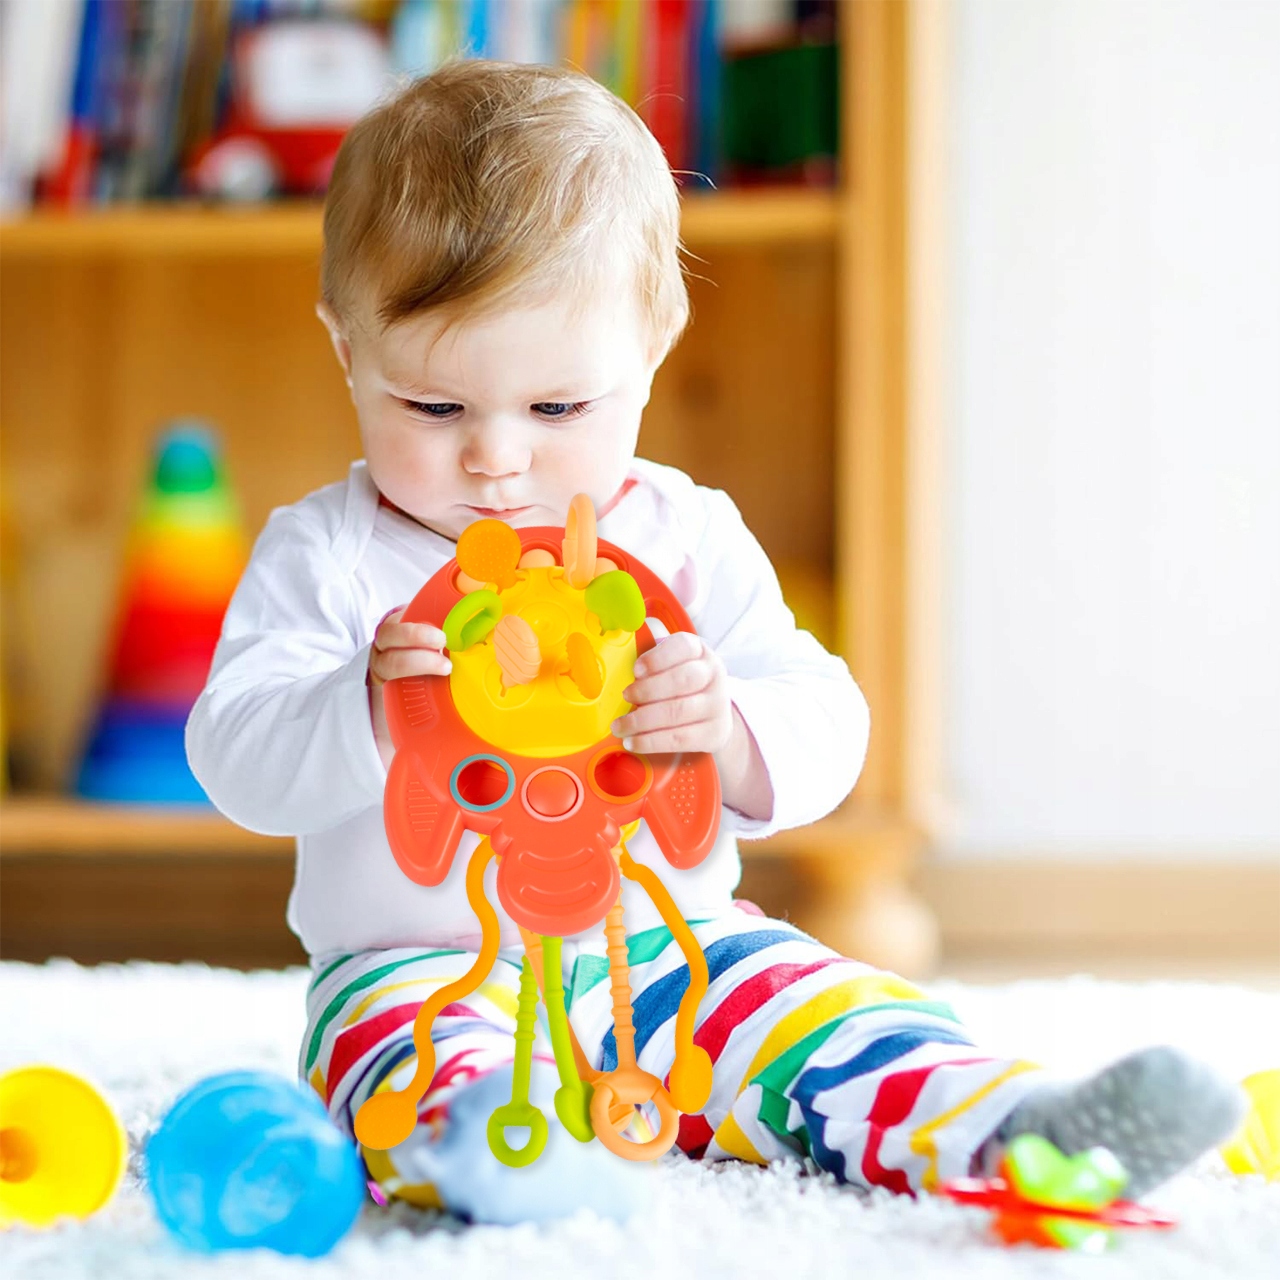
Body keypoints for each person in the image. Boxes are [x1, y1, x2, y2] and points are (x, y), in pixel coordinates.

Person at [186, 61, 1242, 1226]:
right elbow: (234, 755)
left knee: (824, 1010)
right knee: (408, 1062)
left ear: (653, 345)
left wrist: (726, 726)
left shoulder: (683, 534)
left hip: (676, 950)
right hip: (421, 964)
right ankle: (503, 1150)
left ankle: (1008, 1125)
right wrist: (361, 705)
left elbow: (825, 715)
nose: (495, 457)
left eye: (556, 409)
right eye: (434, 409)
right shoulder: (327, 551)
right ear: (347, 349)